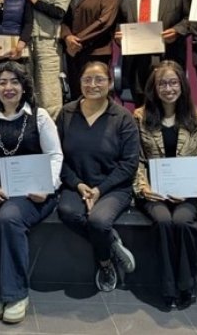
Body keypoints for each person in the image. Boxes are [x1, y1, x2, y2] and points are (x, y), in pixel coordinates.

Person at [0, 61, 62, 324]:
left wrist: (47, 186)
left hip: (33, 190)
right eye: (2, 83)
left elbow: (55, 155)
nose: (8, 87)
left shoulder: (39, 116)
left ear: (24, 86)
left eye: (14, 82)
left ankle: (16, 293)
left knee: (9, 218)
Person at [132, 60, 197, 309]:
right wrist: (143, 188)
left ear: (182, 85)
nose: (168, 88)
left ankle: (186, 284)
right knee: (164, 221)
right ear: (153, 88)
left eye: (173, 82)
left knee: (182, 222)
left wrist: (188, 188)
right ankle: (167, 286)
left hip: (187, 190)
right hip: (153, 191)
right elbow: (137, 159)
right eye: (162, 83)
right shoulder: (140, 116)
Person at [56, 61, 138, 292]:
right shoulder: (66, 113)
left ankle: (103, 264)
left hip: (114, 187)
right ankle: (110, 247)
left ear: (110, 83)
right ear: (79, 83)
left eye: (99, 79)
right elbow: (57, 157)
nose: (93, 85)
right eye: (87, 80)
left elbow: (129, 164)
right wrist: (79, 185)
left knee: (99, 221)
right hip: (77, 185)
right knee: (68, 212)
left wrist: (99, 190)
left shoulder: (123, 118)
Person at [116, 0, 192, 107]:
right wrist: (119, 37)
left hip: (169, 56)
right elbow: (118, 23)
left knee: (172, 108)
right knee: (142, 110)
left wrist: (178, 31)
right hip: (136, 64)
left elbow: (192, 17)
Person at [19, 0, 72, 119]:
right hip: (25, 43)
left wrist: (36, 1)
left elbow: (59, 13)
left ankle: (53, 138)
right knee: (27, 91)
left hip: (48, 43)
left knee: (49, 94)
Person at [61, 0, 119, 100]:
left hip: (96, 53)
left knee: (97, 96)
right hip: (72, 53)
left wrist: (77, 41)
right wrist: (67, 37)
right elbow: (62, 17)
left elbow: (105, 21)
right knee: (76, 96)